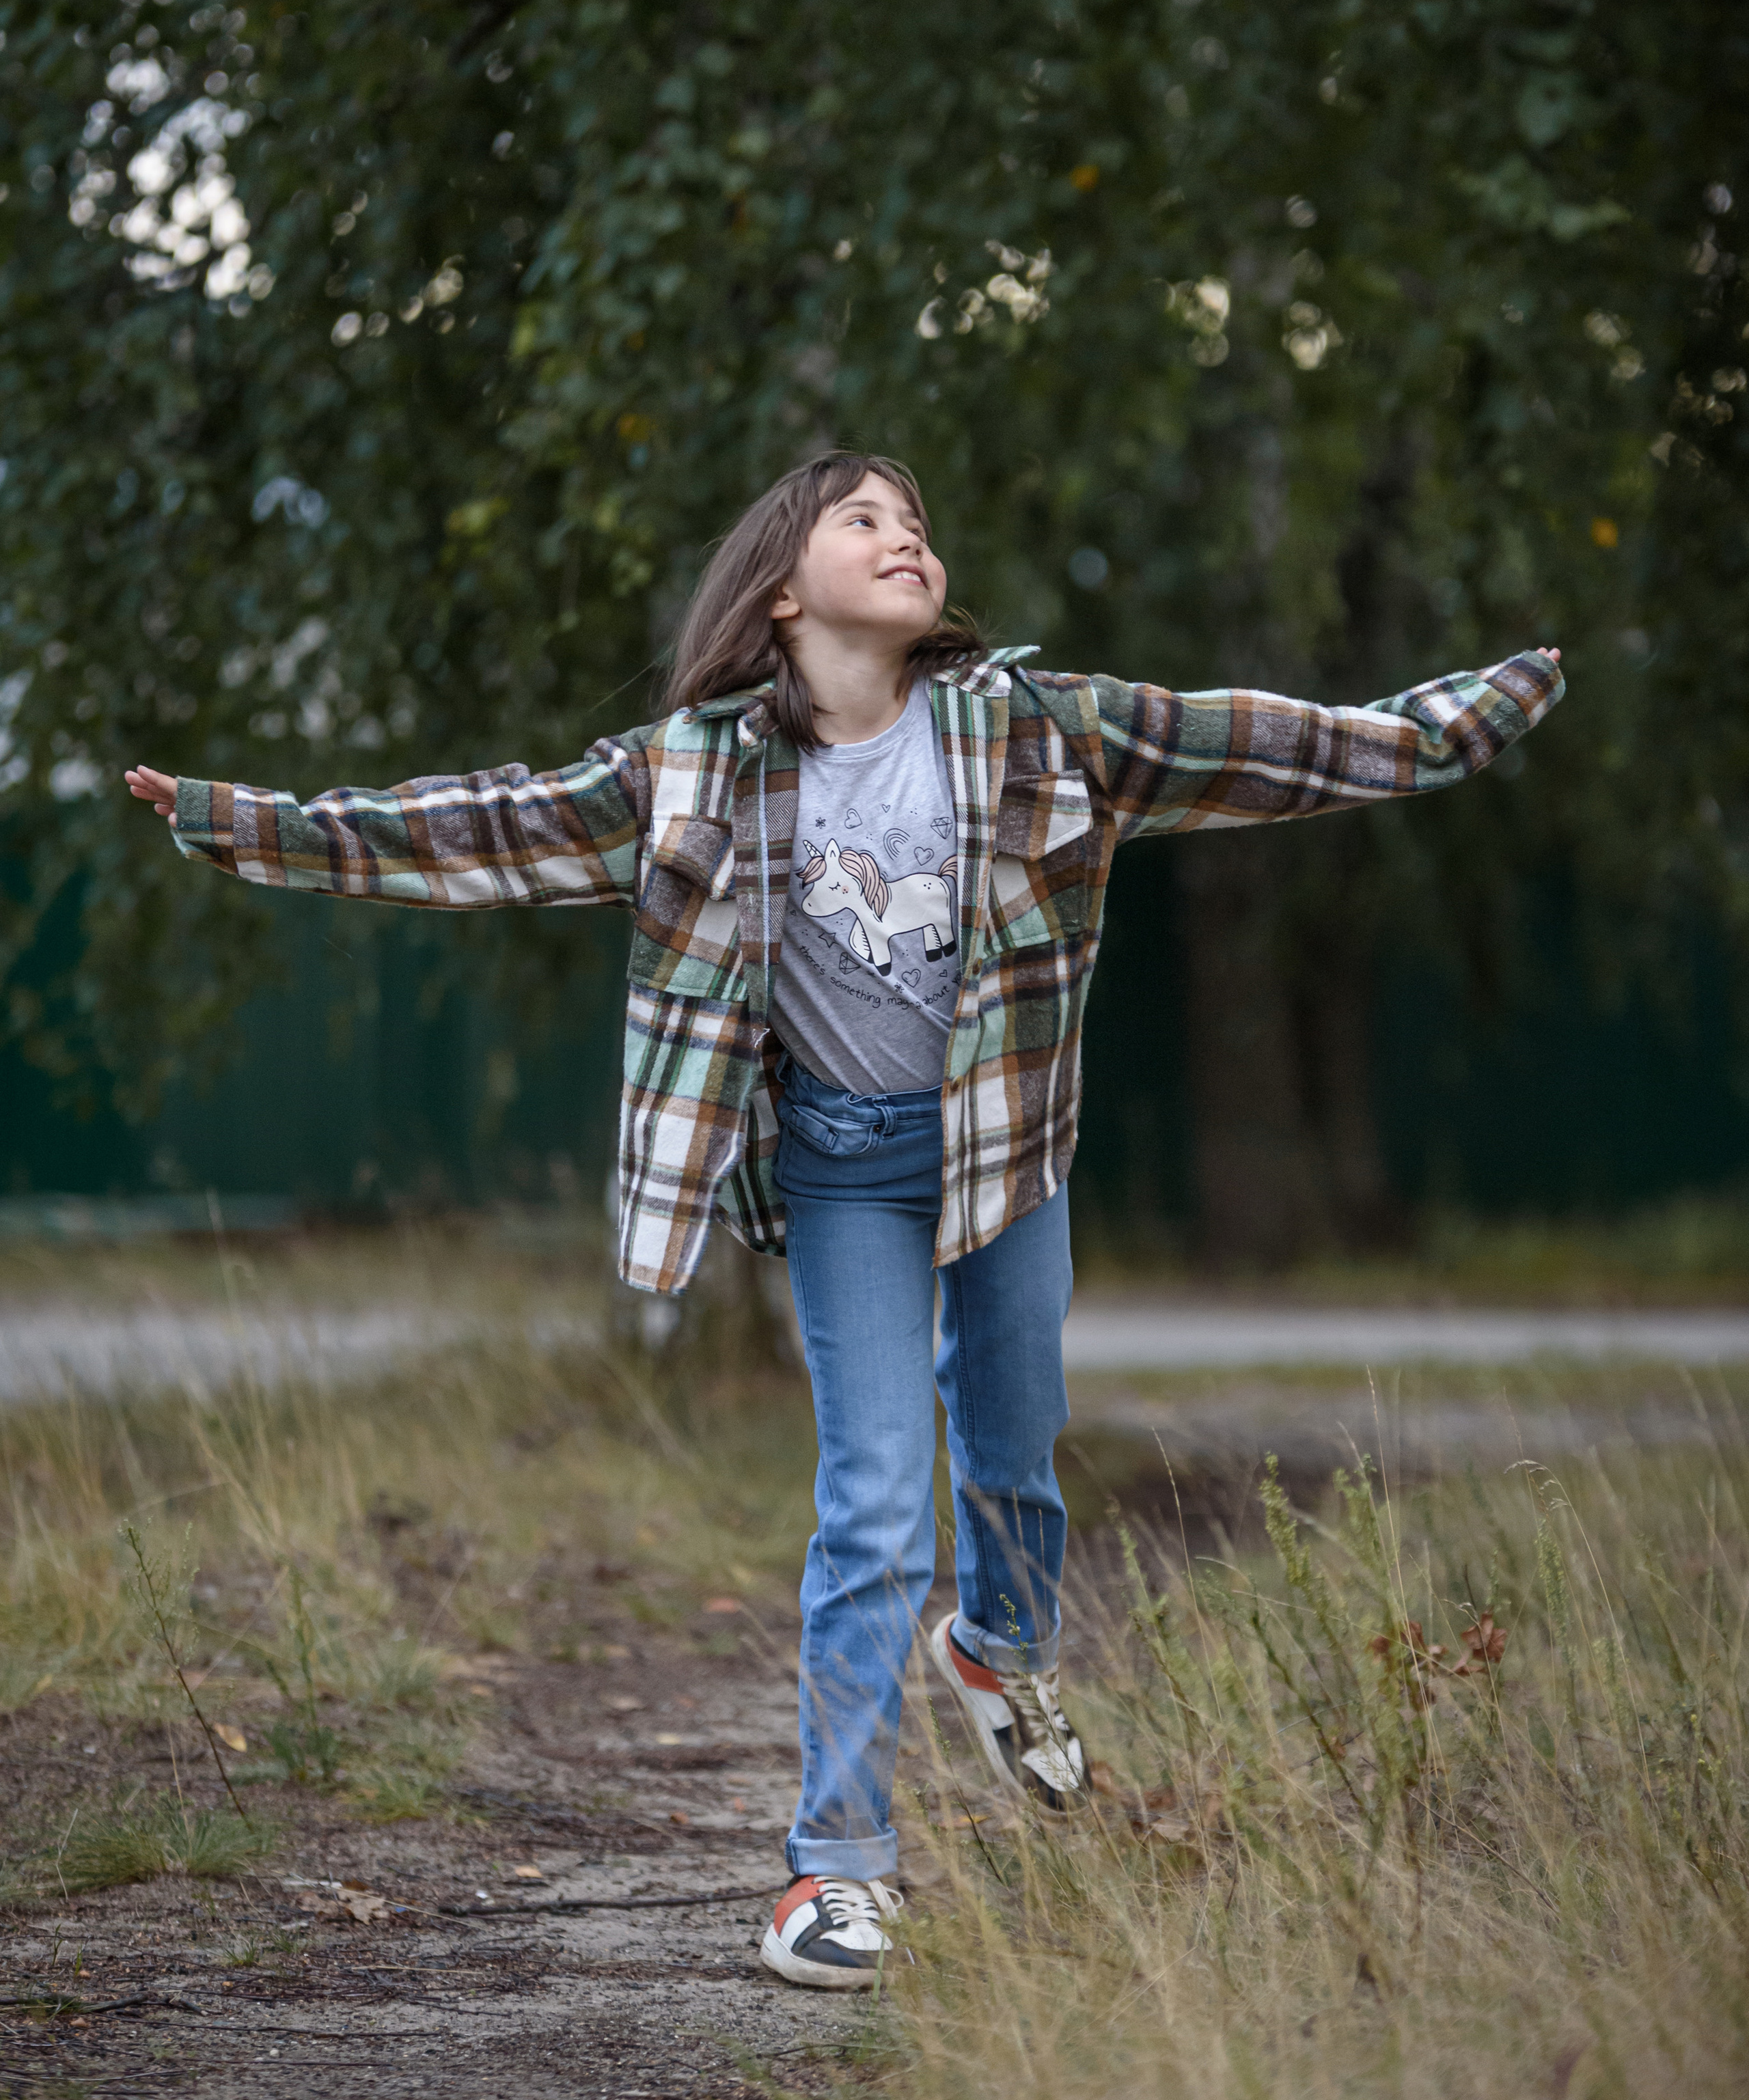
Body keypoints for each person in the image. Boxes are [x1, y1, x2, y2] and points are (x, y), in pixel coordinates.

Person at [127, 449, 1565, 1989]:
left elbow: (1271, 746)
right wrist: (247, 823)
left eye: (917, 524)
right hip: (839, 1169)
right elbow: (477, 829)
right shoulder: (689, 771)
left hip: (1004, 1152)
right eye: (862, 519)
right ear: (778, 590)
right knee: (874, 1499)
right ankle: (834, 1871)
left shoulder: (1037, 730)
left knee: (1011, 1440)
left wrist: (1451, 726)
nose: (903, 539)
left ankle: (999, 1649)